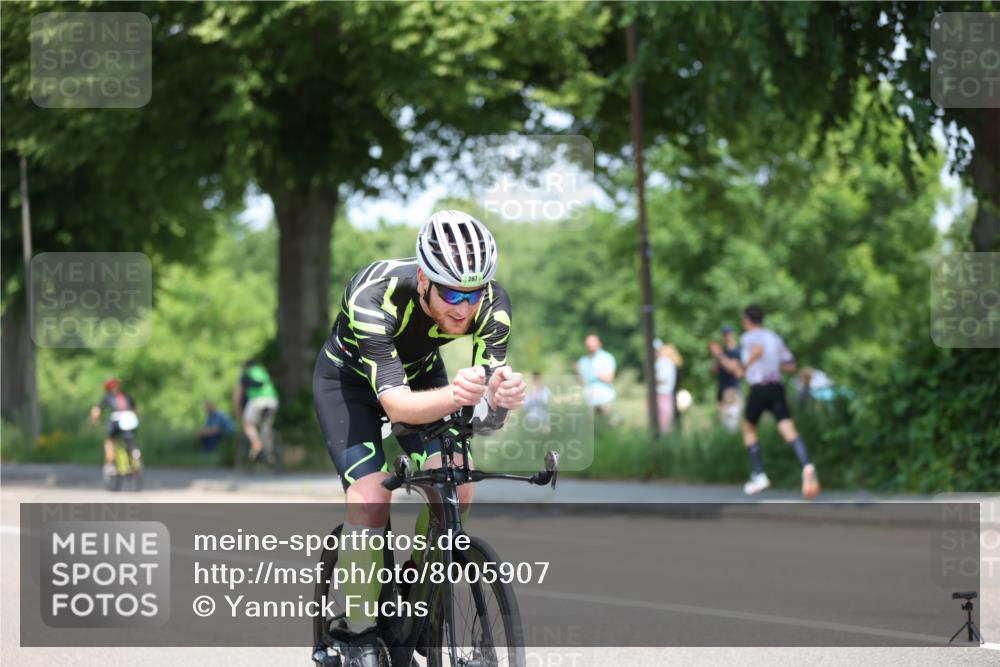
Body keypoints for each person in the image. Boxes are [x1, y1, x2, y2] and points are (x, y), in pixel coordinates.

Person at [312, 209, 526, 665]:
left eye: (473, 294)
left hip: (422, 373)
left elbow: (484, 421)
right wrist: (456, 395)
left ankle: (420, 589)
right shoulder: (375, 296)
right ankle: (359, 634)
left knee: (458, 484)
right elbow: (396, 407)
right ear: (424, 277)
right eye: (451, 293)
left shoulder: (493, 304)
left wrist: (501, 399)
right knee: (370, 498)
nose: (464, 308)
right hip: (350, 385)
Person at [711, 305, 820, 499]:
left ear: (747, 320)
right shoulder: (775, 338)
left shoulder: (748, 338)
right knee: (788, 429)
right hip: (777, 387)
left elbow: (750, 359)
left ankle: (759, 474)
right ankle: (807, 466)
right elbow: (791, 366)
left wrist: (743, 362)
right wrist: (772, 361)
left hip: (759, 387)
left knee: (748, 427)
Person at [89, 378, 138, 479]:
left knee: (110, 440)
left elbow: (97, 411)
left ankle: (111, 463)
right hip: (130, 420)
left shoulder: (108, 397)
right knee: (129, 440)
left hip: (117, 421)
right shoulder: (126, 396)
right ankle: (134, 456)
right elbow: (136, 410)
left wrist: (94, 421)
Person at [233, 359, 279, 462]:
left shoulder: (246, 373)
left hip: (258, 400)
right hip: (272, 400)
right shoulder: (263, 371)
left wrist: (238, 411)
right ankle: (270, 453)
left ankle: (257, 445)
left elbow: (238, 395)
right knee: (266, 426)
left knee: (248, 424)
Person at [709, 325, 743, 431]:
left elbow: (732, 369)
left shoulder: (738, 351)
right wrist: (715, 356)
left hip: (732, 390)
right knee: (724, 424)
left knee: (731, 424)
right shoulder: (722, 352)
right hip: (722, 390)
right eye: (724, 334)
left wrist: (719, 355)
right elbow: (714, 371)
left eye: (728, 334)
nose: (726, 337)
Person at [576, 333, 616, 419]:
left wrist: (594, 373)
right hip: (589, 399)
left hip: (605, 398)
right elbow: (582, 382)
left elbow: (609, 378)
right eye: (589, 345)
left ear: (599, 344)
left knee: (606, 426)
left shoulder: (606, 358)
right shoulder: (582, 361)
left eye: (593, 345)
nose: (591, 348)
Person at [653, 339, 681, 434]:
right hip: (668, 394)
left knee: (662, 424)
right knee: (666, 422)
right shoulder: (669, 362)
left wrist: (652, 379)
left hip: (662, 394)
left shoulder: (662, 361)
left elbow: (661, 378)